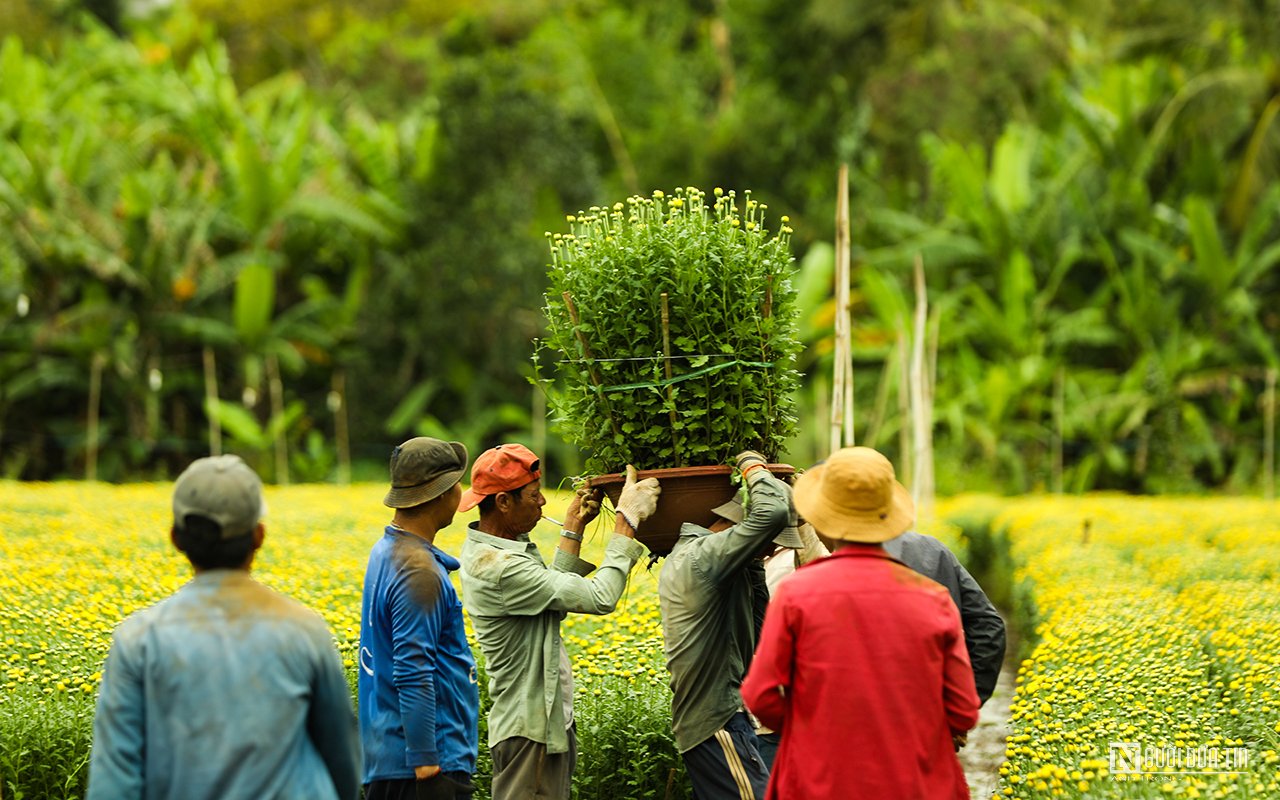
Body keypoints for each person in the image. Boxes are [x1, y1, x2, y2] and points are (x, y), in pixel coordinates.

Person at [87, 455, 361, 800]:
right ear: (259, 536)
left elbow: (114, 779)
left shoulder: (138, 640)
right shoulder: (305, 629)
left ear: (176, 539)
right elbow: (342, 759)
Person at [741, 446, 980, 800]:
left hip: (821, 780)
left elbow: (759, 694)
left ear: (823, 517)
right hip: (916, 783)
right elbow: (963, 710)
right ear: (887, 514)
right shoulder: (933, 598)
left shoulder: (797, 593)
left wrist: (807, 729)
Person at [457, 443, 660, 800]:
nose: (542, 503)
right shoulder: (501, 566)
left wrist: (573, 526)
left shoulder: (501, 551)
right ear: (504, 502)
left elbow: (550, 597)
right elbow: (601, 597)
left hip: (541, 726)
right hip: (528, 735)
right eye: (534, 495)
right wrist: (626, 522)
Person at [657, 450, 799, 800]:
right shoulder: (700, 558)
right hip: (717, 722)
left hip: (720, 721)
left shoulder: (715, 565)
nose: (770, 553)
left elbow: (757, 640)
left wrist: (751, 561)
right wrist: (752, 465)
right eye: (768, 546)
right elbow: (772, 512)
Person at [359, 437, 478, 800]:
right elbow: (413, 670)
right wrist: (428, 770)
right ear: (443, 493)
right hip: (423, 769)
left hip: (392, 758)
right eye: (457, 482)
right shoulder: (418, 571)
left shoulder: (388, 550)